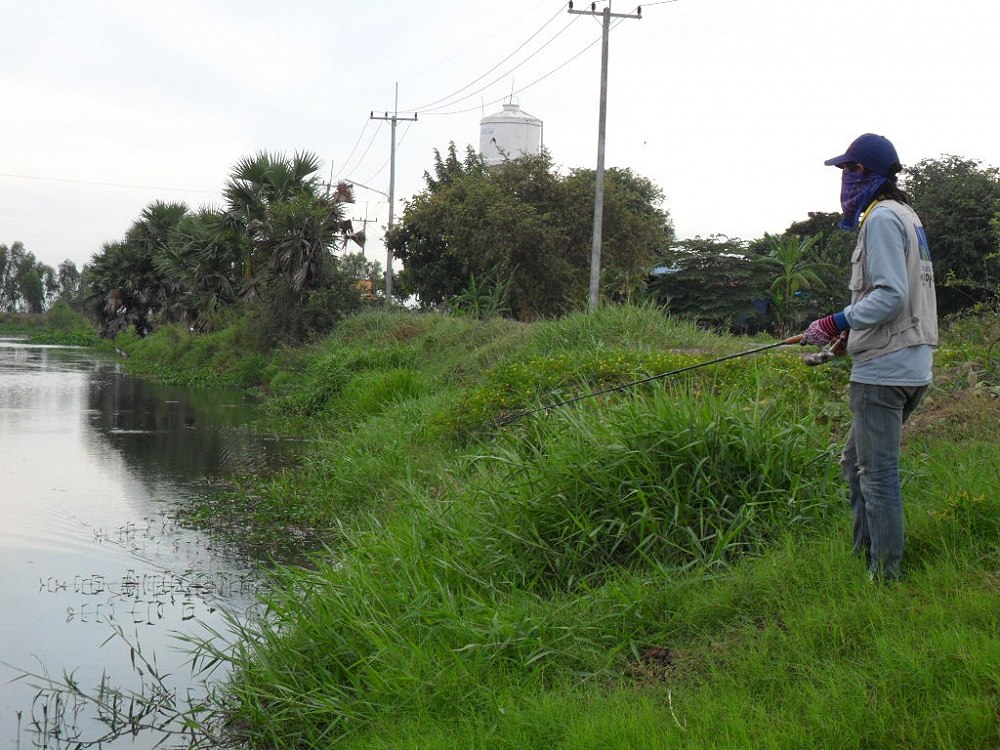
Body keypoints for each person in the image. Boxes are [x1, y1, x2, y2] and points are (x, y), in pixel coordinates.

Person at [802, 133, 938, 581]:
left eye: (846, 170)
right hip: (911, 364)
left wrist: (835, 321)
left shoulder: (880, 219)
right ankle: (864, 554)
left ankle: (886, 577)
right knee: (854, 463)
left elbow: (891, 296)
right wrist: (846, 339)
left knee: (877, 475)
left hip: (884, 371)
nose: (841, 180)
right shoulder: (906, 214)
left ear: (862, 173)